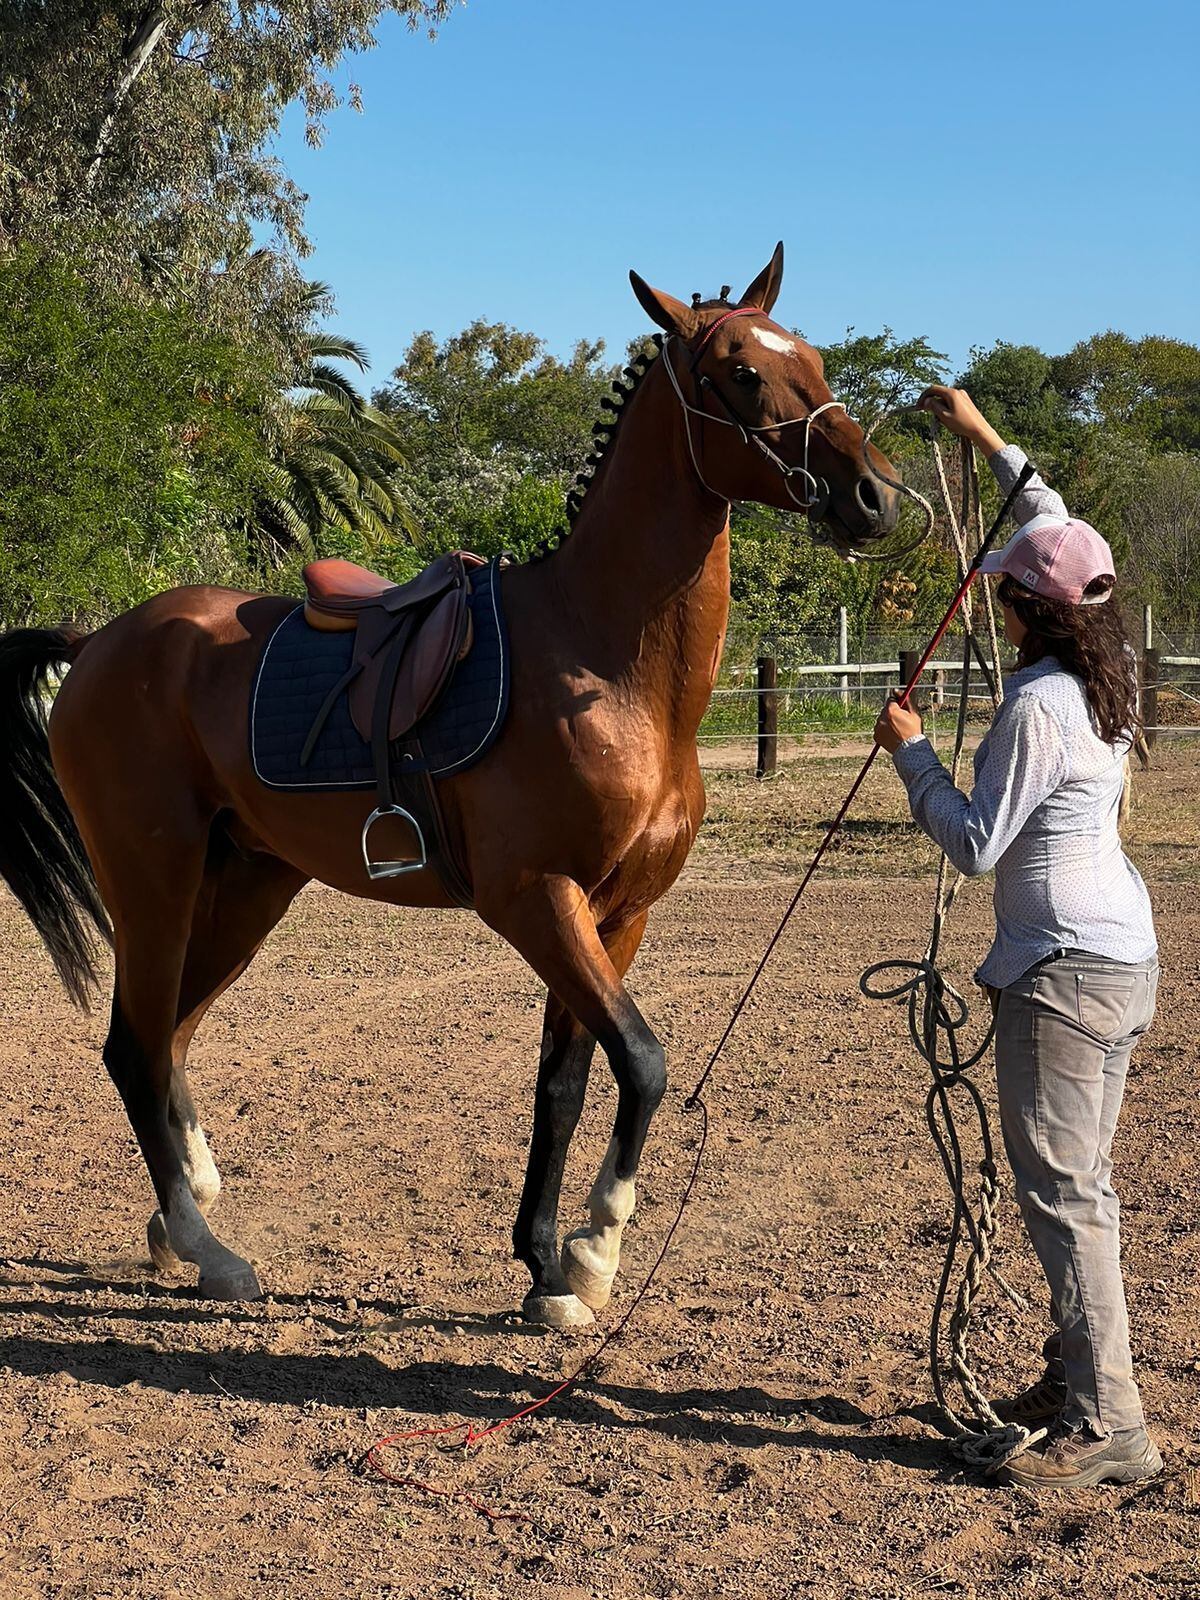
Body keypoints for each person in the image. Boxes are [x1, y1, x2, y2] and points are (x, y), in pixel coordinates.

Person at [874, 385, 1161, 1490]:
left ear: (1026, 612)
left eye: (1003, 595)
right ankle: (1081, 1377)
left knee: (1065, 1191)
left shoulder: (1040, 705)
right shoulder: (1107, 667)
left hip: (1062, 971)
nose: (990, 603)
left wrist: (911, 750)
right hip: (1111, 957)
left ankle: (1108, 1424)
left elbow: (977, 843)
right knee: (1075, 1180)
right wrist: (984, 434)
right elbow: (1051, 522)